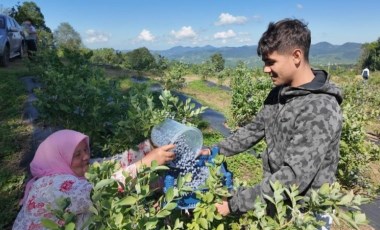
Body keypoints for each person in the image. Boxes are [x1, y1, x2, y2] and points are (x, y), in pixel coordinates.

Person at [213, 18, 343, 220]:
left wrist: (234, 204)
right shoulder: (278, 95)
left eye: (271, 62)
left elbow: (292, 178)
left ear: (296, 56)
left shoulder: (320, 108)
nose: (266, 69)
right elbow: (253, 130)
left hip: (304, 215)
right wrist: (216, 150)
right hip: (276, 203)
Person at [13, 129, 175, 229]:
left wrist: (153, 147)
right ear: (61, 157)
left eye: (86, 149)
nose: (85, 157)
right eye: (77, 154)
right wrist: (144, 164)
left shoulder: (75, 168)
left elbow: (115, 162)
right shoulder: (51, 184)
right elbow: (99, 192)